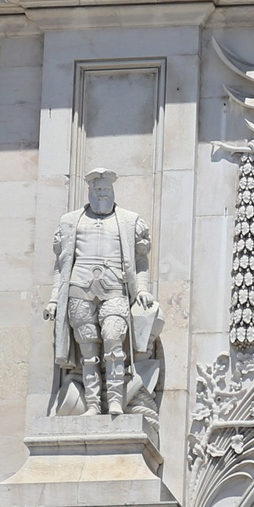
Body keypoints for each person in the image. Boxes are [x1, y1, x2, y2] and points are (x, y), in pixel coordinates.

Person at [44, 169, 157, 416]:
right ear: (90, 191)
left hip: (115, 288)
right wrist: (54, 299)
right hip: (79, 290)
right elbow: (62, 266)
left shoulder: (130, 220)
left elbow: (141, 261)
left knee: (114, 341)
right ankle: (93, 404)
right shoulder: (70, 221)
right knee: (88, 352)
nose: (101, 193)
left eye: (105, 189)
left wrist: (141, 290)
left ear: (112, 190)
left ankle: (115, 400)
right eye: (97, 190)